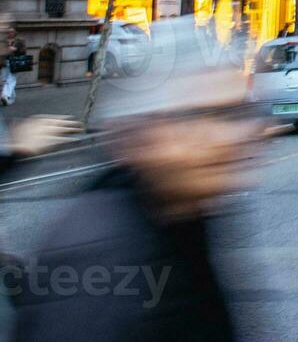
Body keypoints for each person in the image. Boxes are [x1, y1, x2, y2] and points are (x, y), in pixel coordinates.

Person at [10, 18, 267, 339]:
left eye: (237, 114)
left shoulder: (185, 218)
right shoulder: (100, 261)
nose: (231, 137)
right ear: (141, 132)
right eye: (202, 116)